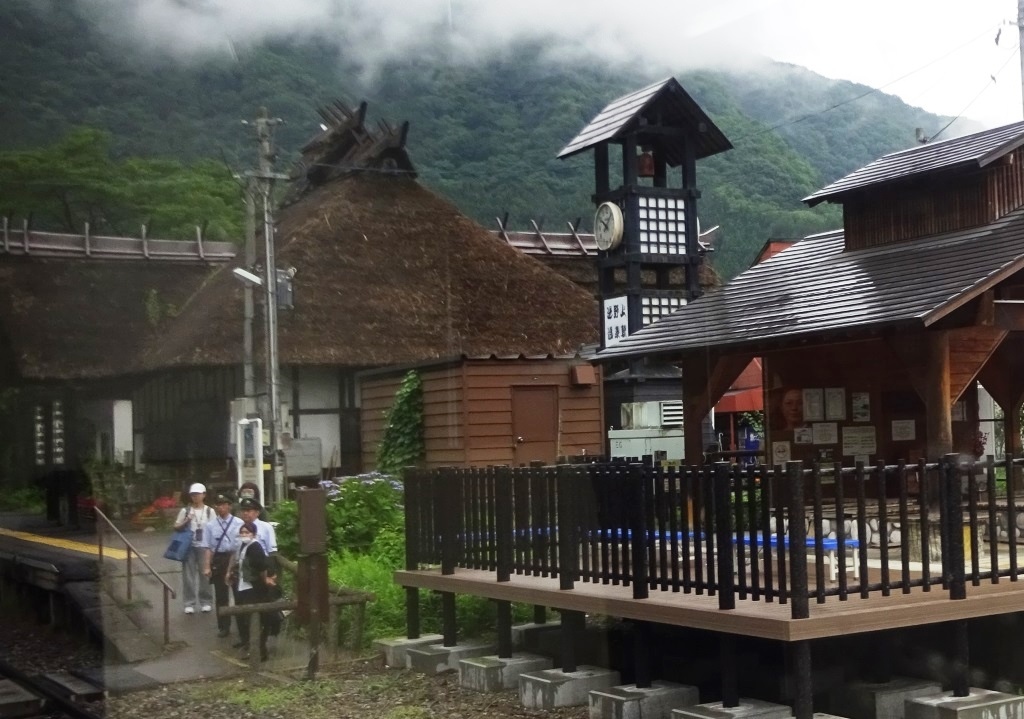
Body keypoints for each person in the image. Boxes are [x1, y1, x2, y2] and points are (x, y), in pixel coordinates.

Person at [236, 496, 282, 642]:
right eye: (243, 510)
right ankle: (246, 640)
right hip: (244, 573)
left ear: (257, 512)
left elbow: (271, 552)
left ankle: (261, 642)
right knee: (242, 609)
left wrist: (271, 574)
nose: (246, 513)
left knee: (262, 609)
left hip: (261, 572)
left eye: (249, 510)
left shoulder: (265, 527)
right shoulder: (239, 526)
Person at [201, 494, 243, 638]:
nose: (221, 507)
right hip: (219, 559)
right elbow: (208, 547)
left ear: (229, 506)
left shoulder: (238, 523)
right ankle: (224, 626)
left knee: (238, 593)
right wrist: (207, 566)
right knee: (221, 595)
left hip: (235, 558)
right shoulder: (210, 525)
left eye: (224, 504)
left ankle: (242, 626)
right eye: (218, 505)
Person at [230, 521, 271, 661]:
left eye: (247, 532)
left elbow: (262, 567)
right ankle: (253, 648)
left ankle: (260, 651)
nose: (244, 535)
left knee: (255, 619)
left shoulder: (255, 547)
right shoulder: (244, 546)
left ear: (253, 534)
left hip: (253, 588)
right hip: (244, 586)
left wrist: (264, 581)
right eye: (242, 532)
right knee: (247, 619)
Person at [173, 482, 215, 614]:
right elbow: (176, 526)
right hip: (189, 546)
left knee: (205, 575)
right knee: (188, 576)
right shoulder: (185, 511)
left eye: (198, 494)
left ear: (204, 495)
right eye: (193, 494)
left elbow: (214, 529)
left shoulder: (209, 511)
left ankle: (206, 601)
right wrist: (187, 520)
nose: (195, 497)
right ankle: (189, 603)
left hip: (204, 546)